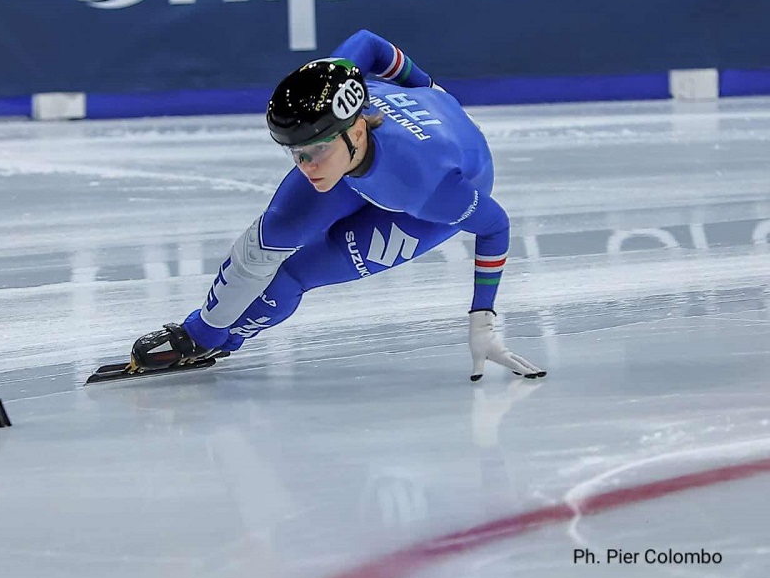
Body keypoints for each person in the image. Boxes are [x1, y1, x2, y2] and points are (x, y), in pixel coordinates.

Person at [129, 29, 546, 382]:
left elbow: (495, 226)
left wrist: (482, 321)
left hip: (433, 185)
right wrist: (426, 84)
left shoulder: (426, 185)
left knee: (297, 272)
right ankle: (201, 334)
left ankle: (230, 339)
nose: (307, 166)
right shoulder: (333, 110)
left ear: (357, 130)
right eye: (296, 153)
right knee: (274, 234)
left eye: (316, 151)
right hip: (373, 157)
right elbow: (368, 43)